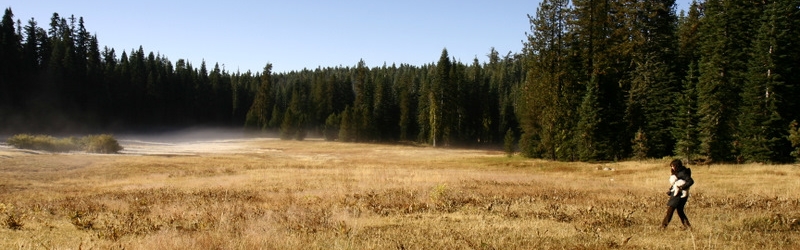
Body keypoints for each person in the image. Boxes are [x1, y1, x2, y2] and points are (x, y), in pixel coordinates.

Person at [661, 159, 693, 229]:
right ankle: (688, 227)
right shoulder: (680, 172)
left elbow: (690, 181)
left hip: (678, 195)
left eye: (673, 166)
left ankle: (663, 227)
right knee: (680, 211)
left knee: (670, 210)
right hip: (681, 194)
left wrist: (681, 188)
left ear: (677, 166)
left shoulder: (682, 173)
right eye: (671, 166)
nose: (672, 168)